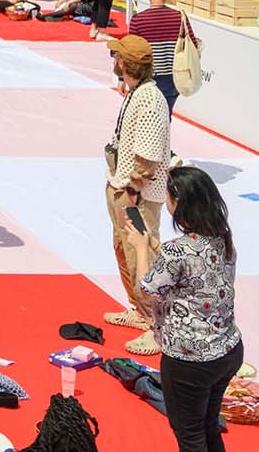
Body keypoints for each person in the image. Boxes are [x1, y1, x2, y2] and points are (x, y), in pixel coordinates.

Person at [130, 166, 244, 452]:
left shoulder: (176, 251)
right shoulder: (223, 239)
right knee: (207, 427)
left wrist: (141, 248)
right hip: (228, 349)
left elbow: (145, 290)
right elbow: (190, 275)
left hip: (189, 359)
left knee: (190, 435)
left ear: (178, 203)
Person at [102, 34, 171, 356]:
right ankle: (139, 311)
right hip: (124, 187)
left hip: (135, 195)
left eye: (116, 57)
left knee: (142, 255)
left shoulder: (149, 100)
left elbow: (148, 155)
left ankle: (155, 324)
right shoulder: (138, 94)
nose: (112, 62)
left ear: (126, 64)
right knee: (125, 250)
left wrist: (131, 189)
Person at [129, 0, 201, 112]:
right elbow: (193, 45)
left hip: (148, 76)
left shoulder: (138, 20)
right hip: (173, 76)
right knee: (165, 116)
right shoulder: (179, 17)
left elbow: (131, 51)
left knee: (147, 116)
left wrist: (123, 78)